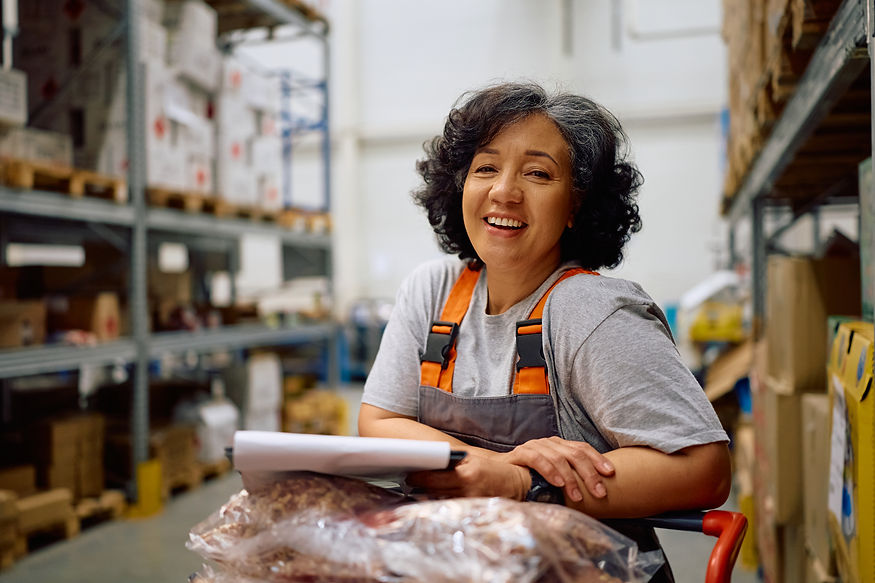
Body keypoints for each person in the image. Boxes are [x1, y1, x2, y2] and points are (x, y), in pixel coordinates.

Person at [357, 81, 731, 582]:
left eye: (537, 173)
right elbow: (380, 419)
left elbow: (703, 468)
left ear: (576, 204)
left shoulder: (590, 311)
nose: (504, 192)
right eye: (485, 168)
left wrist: (524, 484)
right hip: (458, 564)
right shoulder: (433, 290)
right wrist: (496, 465)